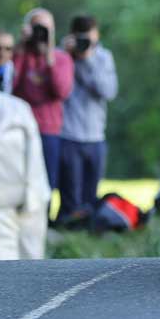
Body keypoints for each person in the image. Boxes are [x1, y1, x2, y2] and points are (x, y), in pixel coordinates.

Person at [56, 14, 118, 225]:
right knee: (70, 194)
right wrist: (66, 55)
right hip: (68, 133)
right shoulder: (61, 55)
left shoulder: (102, 57)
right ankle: (66, 228)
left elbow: (108, 91)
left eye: (89, 39)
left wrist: (88, 60)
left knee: (90, 196)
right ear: (72, 36)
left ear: (96, 36)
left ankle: (88, 228)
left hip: (95, 135)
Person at [12, 8, 74, 190]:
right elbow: (10, 84)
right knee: (18, 182)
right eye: (37, 27)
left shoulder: (61, 58)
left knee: (46, 184)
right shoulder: (19, 55)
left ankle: (45, 219)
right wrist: (21, 48)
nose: (41, 32)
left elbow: (61, 91)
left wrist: (49, 56)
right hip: (20, 127)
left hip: (49, 130)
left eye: (46, 28)